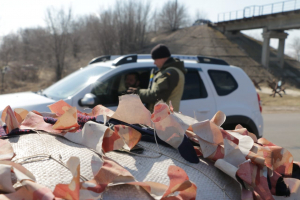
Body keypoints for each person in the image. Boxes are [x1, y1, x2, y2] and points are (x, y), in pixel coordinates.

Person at [128, 44, 186, 112]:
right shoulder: (173, 71)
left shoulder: (169, 73)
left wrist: (137, 92)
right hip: (164, 116)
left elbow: (157, 95)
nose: (154, 63)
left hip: (165, 117)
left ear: (163, 57)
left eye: (155, 59)